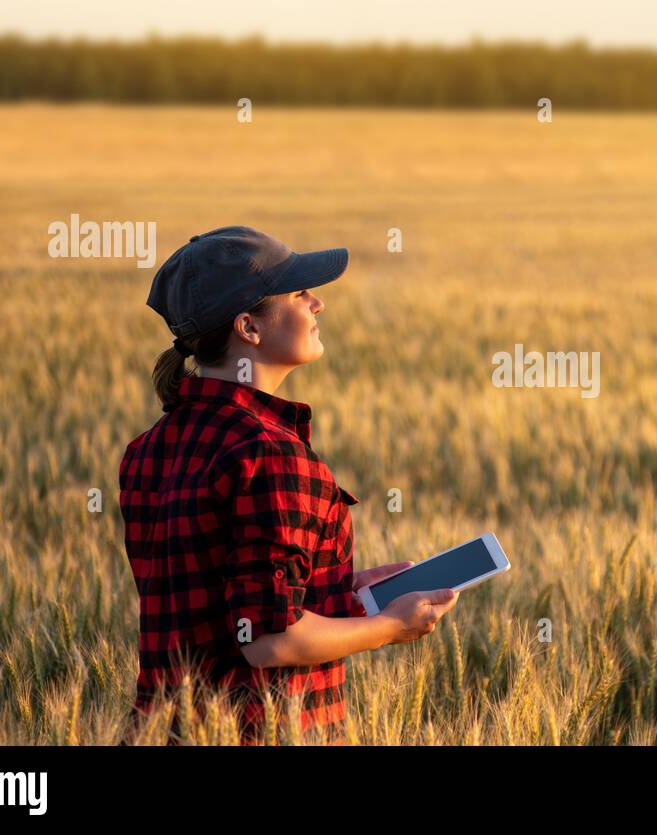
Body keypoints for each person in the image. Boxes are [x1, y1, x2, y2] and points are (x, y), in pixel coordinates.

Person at [118, 226, 458, 744]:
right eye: (299, 293)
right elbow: (269, 640)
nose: (317, 303)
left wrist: (339, 587)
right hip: (262, 731)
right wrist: (391, 626)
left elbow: (221, 599)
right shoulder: (271, 454)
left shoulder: (148, 450)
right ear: (249, 327)